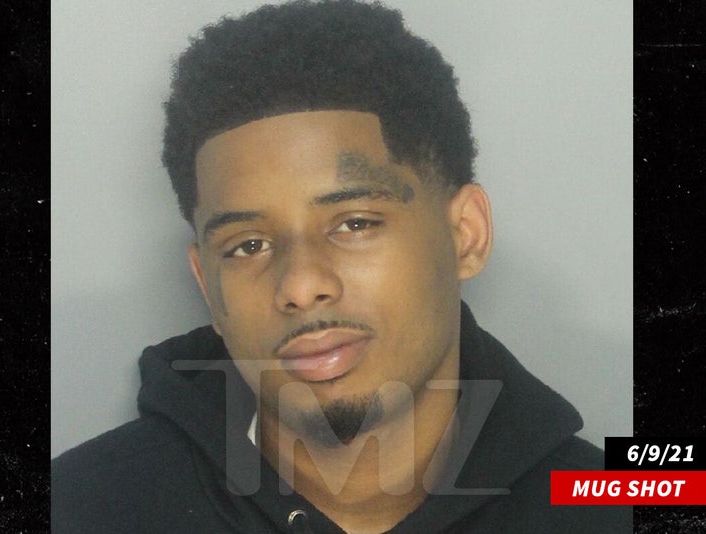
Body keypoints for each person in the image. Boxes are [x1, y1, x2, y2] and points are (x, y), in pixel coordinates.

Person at [52, 1, 631, 532]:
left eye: (355, 223)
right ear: (208, 286)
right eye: (248, 245)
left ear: (465, 235)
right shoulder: (75, 508)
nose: (302, 286)